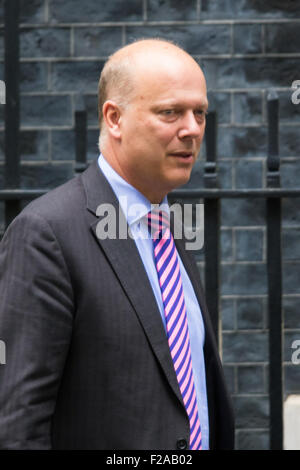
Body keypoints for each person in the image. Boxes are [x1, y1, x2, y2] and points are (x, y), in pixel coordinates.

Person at [0, 39, 234, 450]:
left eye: (200, 112)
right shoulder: (47, 232)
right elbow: (20, 420)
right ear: (114, 118)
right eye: (170, 112)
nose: (193, 129)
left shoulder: (168, 227)